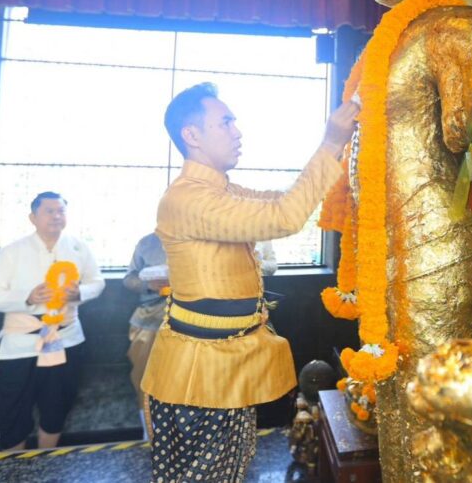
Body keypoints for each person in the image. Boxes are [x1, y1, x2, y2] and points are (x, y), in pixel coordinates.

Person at [141, 82, 358, 482]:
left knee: (232, 470)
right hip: (198, 377)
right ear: (192, 135)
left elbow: (282, 200)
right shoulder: (188, 199)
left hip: (227, 366)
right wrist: (330, 143)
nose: (237, 131)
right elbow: (284, 217)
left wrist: (337, 162)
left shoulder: (221, 190)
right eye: (225, 122)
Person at [0, 191, 105, 450]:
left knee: (57, 405)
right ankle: (13, 466)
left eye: (61, 211)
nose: (56, 216)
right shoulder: (12, 252)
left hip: (66, 339)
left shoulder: (78, 247)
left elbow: (97, 282)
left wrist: (80, 293)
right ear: (33, 217)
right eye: (49, 211)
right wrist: (27, 297)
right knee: (13, 410)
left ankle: (47, 462)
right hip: (20, 343)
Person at [122, 233, 168, 412]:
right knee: (146, 378)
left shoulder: (201, 238)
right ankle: (148, 422)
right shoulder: (148, 243)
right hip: (150, 320)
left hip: (193, 321)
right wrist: (149, 285)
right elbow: (129, 279)